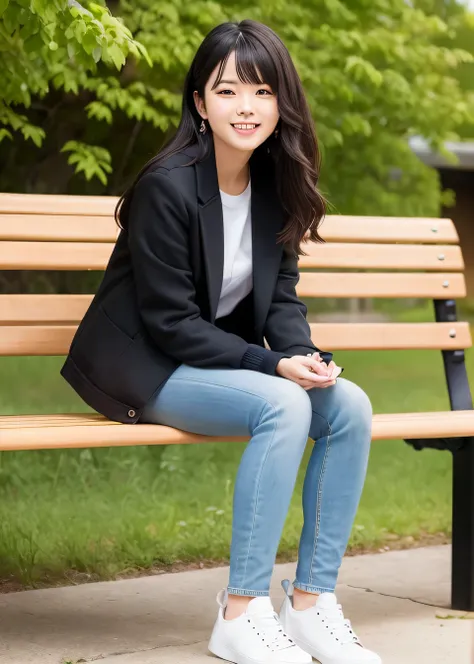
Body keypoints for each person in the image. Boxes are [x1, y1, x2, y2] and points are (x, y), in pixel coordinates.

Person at [60, 18, 381, 664]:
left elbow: (282, 301)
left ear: (281, 103)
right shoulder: (167, 186)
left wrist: (307, 359)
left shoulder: (276, 188)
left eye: (262, 92)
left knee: (348, 405)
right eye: (228, 90)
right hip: (142, 365)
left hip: (210, 362)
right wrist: (272, 366)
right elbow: (170, 322)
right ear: (200, 104)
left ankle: (312, 605)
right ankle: (239, 612)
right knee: (282, 404)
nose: (247, 107)